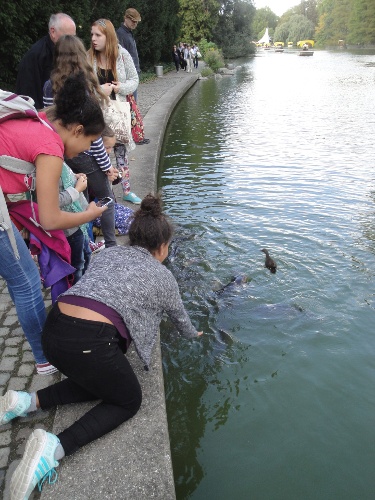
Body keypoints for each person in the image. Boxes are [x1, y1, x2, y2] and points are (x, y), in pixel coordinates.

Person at [2, 194, 203, 499]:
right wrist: (195, 335)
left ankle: (24, 402)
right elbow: (181, 321)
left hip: (53, 329)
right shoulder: (163, 276)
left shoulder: (108, 254)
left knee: (101, 381)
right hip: (90, 342)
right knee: (128, 400)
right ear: (162, 247)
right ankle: (54, 449)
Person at [0, 73, 108, 375]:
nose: (86, 150)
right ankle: (45, 357)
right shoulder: (50, 146)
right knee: (25, 282)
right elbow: (49, 218)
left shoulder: (39, 119)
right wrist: (89, 214)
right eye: (88, 142)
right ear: (77, 129)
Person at [44, 35, 118, 245]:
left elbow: (52, 120)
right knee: (107, 199)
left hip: (63, 153)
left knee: (77, 197)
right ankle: (111, 246)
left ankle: (86, 241)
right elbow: (91, 136)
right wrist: (106, 167)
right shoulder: (86, 86)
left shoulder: (49, 86)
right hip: (84, 155)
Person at [88, 18, 142, 204]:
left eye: (98, 35)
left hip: (118, 112)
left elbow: (135, 80)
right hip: (98, 114)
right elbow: (85, 88)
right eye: (92, 34)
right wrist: (99, 90)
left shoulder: (122, 55)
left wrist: (120, 88)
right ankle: (107, 193)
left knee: (121, 152)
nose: (93, 39)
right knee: (101, 154)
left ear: (108, 36)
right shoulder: (89, 58)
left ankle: (126, 190)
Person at [16, 13, 76, 109]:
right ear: (53, 32)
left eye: (74, 37)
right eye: (68, 37)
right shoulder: (36, 56)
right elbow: (28, 95)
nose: (72, 42)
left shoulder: (70, 53)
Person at [116, 8, 141, 101]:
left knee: (133, 106)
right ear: (125, 18)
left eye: (136, 22)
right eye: (133, 21)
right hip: (128, 78)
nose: (134, 23)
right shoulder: (120, 34)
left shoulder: (128, 33)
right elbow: (120, 58)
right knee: (130, 106)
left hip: (133, 75)